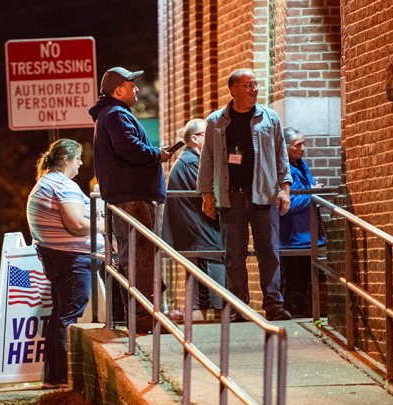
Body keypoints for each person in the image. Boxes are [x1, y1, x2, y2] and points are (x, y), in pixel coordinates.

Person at [197, 68, 294, 321]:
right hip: (231, 197)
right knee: (234, 255)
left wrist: (285, 189)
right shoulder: (215, 121)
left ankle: (273, 304)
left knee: (269, 252)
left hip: (264, 194)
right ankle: (239, 307)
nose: (255, 89)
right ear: (233, 90)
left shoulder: (269, 118)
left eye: (255, 84)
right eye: (249, 85)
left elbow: (281, 155)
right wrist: (207, 194)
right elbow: (207, 159)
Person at [88, 66, 172, 334]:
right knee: (140, 259)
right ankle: (145, 322)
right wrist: (156, 154)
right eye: (131, 84)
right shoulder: (115, 115)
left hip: (128, 198)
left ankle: (142, 319)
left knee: (134, 258)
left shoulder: (110, 115)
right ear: (118, 90)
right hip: (132, 199)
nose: (137, 88)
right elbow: (129, 149)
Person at [27, 139, 104, 388]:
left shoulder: (46, 183)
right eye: (78, 158)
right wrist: (104, 225)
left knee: (61, 313)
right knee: (68, 315)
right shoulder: (62, 185)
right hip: (71, 258)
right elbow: (76, 224)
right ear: (65, 160)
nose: (81, 164)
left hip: (61, 257)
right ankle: (60, 374)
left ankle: (54, 374)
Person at [161, 119, 225, 320]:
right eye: (207, 134)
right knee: (202, 288)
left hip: (199, 231)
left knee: (201, 284)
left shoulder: (190, 160)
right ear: (195, 138)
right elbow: (208, 194)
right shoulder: (190, 162)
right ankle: (203, 335)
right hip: (199, 232)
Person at [279, 127, 326, 317]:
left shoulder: (301, 165)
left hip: (307, 234)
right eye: (298, 145)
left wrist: (311, 191)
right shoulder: (283, 170)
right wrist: (312, 193)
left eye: (303, 143)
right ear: (285, 147)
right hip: (293, 236)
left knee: (304, 279)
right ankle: (292, 315)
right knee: (294, 281)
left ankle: (298, 314)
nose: (303, 148)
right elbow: (290, 202)